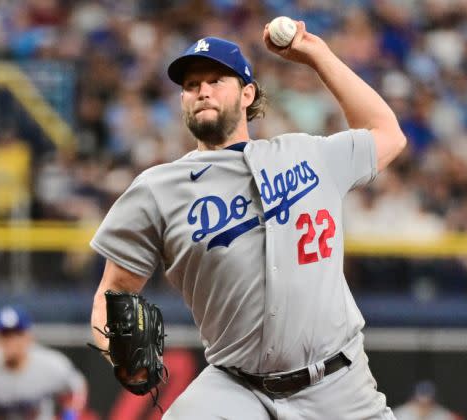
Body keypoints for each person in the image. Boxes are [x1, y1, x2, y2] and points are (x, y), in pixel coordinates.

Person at [90, 19, 406, 419]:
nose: (202, 90)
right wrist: (114, 351)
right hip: (236, 389)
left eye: (216, 79)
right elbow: (112, 293)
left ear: (247, 93)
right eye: (190, 85)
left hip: (337, 384)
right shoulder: (157, 189)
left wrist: (316, 55)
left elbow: (388, 134)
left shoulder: (308, 154)